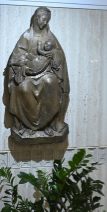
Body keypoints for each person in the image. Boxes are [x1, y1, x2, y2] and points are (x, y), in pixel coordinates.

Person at [7, 7, 69, 137]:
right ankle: (28, 125)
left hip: (46, 72)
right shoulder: (26, 36)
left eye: (47, 20)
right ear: (37, 18)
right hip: (28, 74)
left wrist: (53, 54)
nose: (46, 22)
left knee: (51, 82)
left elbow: (59, 55)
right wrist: (28, 61)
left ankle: (47, 123)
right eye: (44, 19)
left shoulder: (50, 36)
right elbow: (15, 57)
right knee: (23, 88)